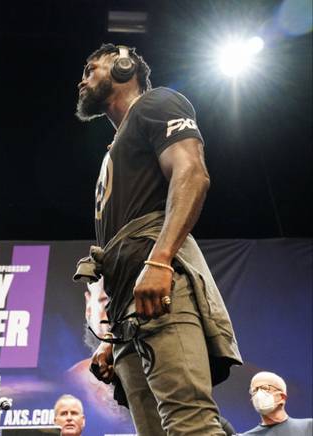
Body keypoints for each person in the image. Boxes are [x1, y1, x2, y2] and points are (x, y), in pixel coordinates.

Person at [74, 44, 242, 435]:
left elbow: (192, 173)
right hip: (127, 310)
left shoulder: (157, 103)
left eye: (91, 68)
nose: (82, 81)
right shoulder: (114, 148)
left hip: (159, 289)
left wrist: (160, 259)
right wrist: (112, 337)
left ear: (123, 66)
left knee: (190, 424)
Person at [66, 278, 130, 423]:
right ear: (89, 306)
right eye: (105, 302)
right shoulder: (72, 381)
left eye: (125, 302)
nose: (113, 313)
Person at [243, 371, 312, 435]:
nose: (258, 394)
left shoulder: (309, 427)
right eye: (254, 390)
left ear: (282, 397)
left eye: (265, 388)